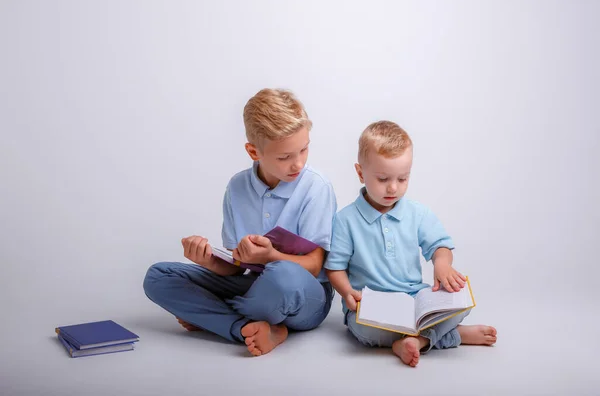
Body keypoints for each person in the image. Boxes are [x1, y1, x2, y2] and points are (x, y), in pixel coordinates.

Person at [144, 89, 336, 356]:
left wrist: (270, 256)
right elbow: (235, 269)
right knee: (158, 276)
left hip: (304, 292)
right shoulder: (237, 187)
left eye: (304, 149)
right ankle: (249, 327)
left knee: (282, 275)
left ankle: (213, 318)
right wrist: (208, 260)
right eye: (285, 157)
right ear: (253, 151)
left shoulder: (316, 187)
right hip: (253, 286)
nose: (299, 163)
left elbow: (315, 267)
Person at [325, 120, 497, 367]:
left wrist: (442, 264)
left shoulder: (417, 213)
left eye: (402, 178)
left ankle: (415, 340)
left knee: (459, 300)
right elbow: (335, 268)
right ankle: (453, 335)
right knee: (363, 331)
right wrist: (346, 292)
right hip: (371, 304)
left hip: (415, 299)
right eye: (383, 178)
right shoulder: (345, 220)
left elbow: (440, 246)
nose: (393, 187)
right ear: (361, 172)